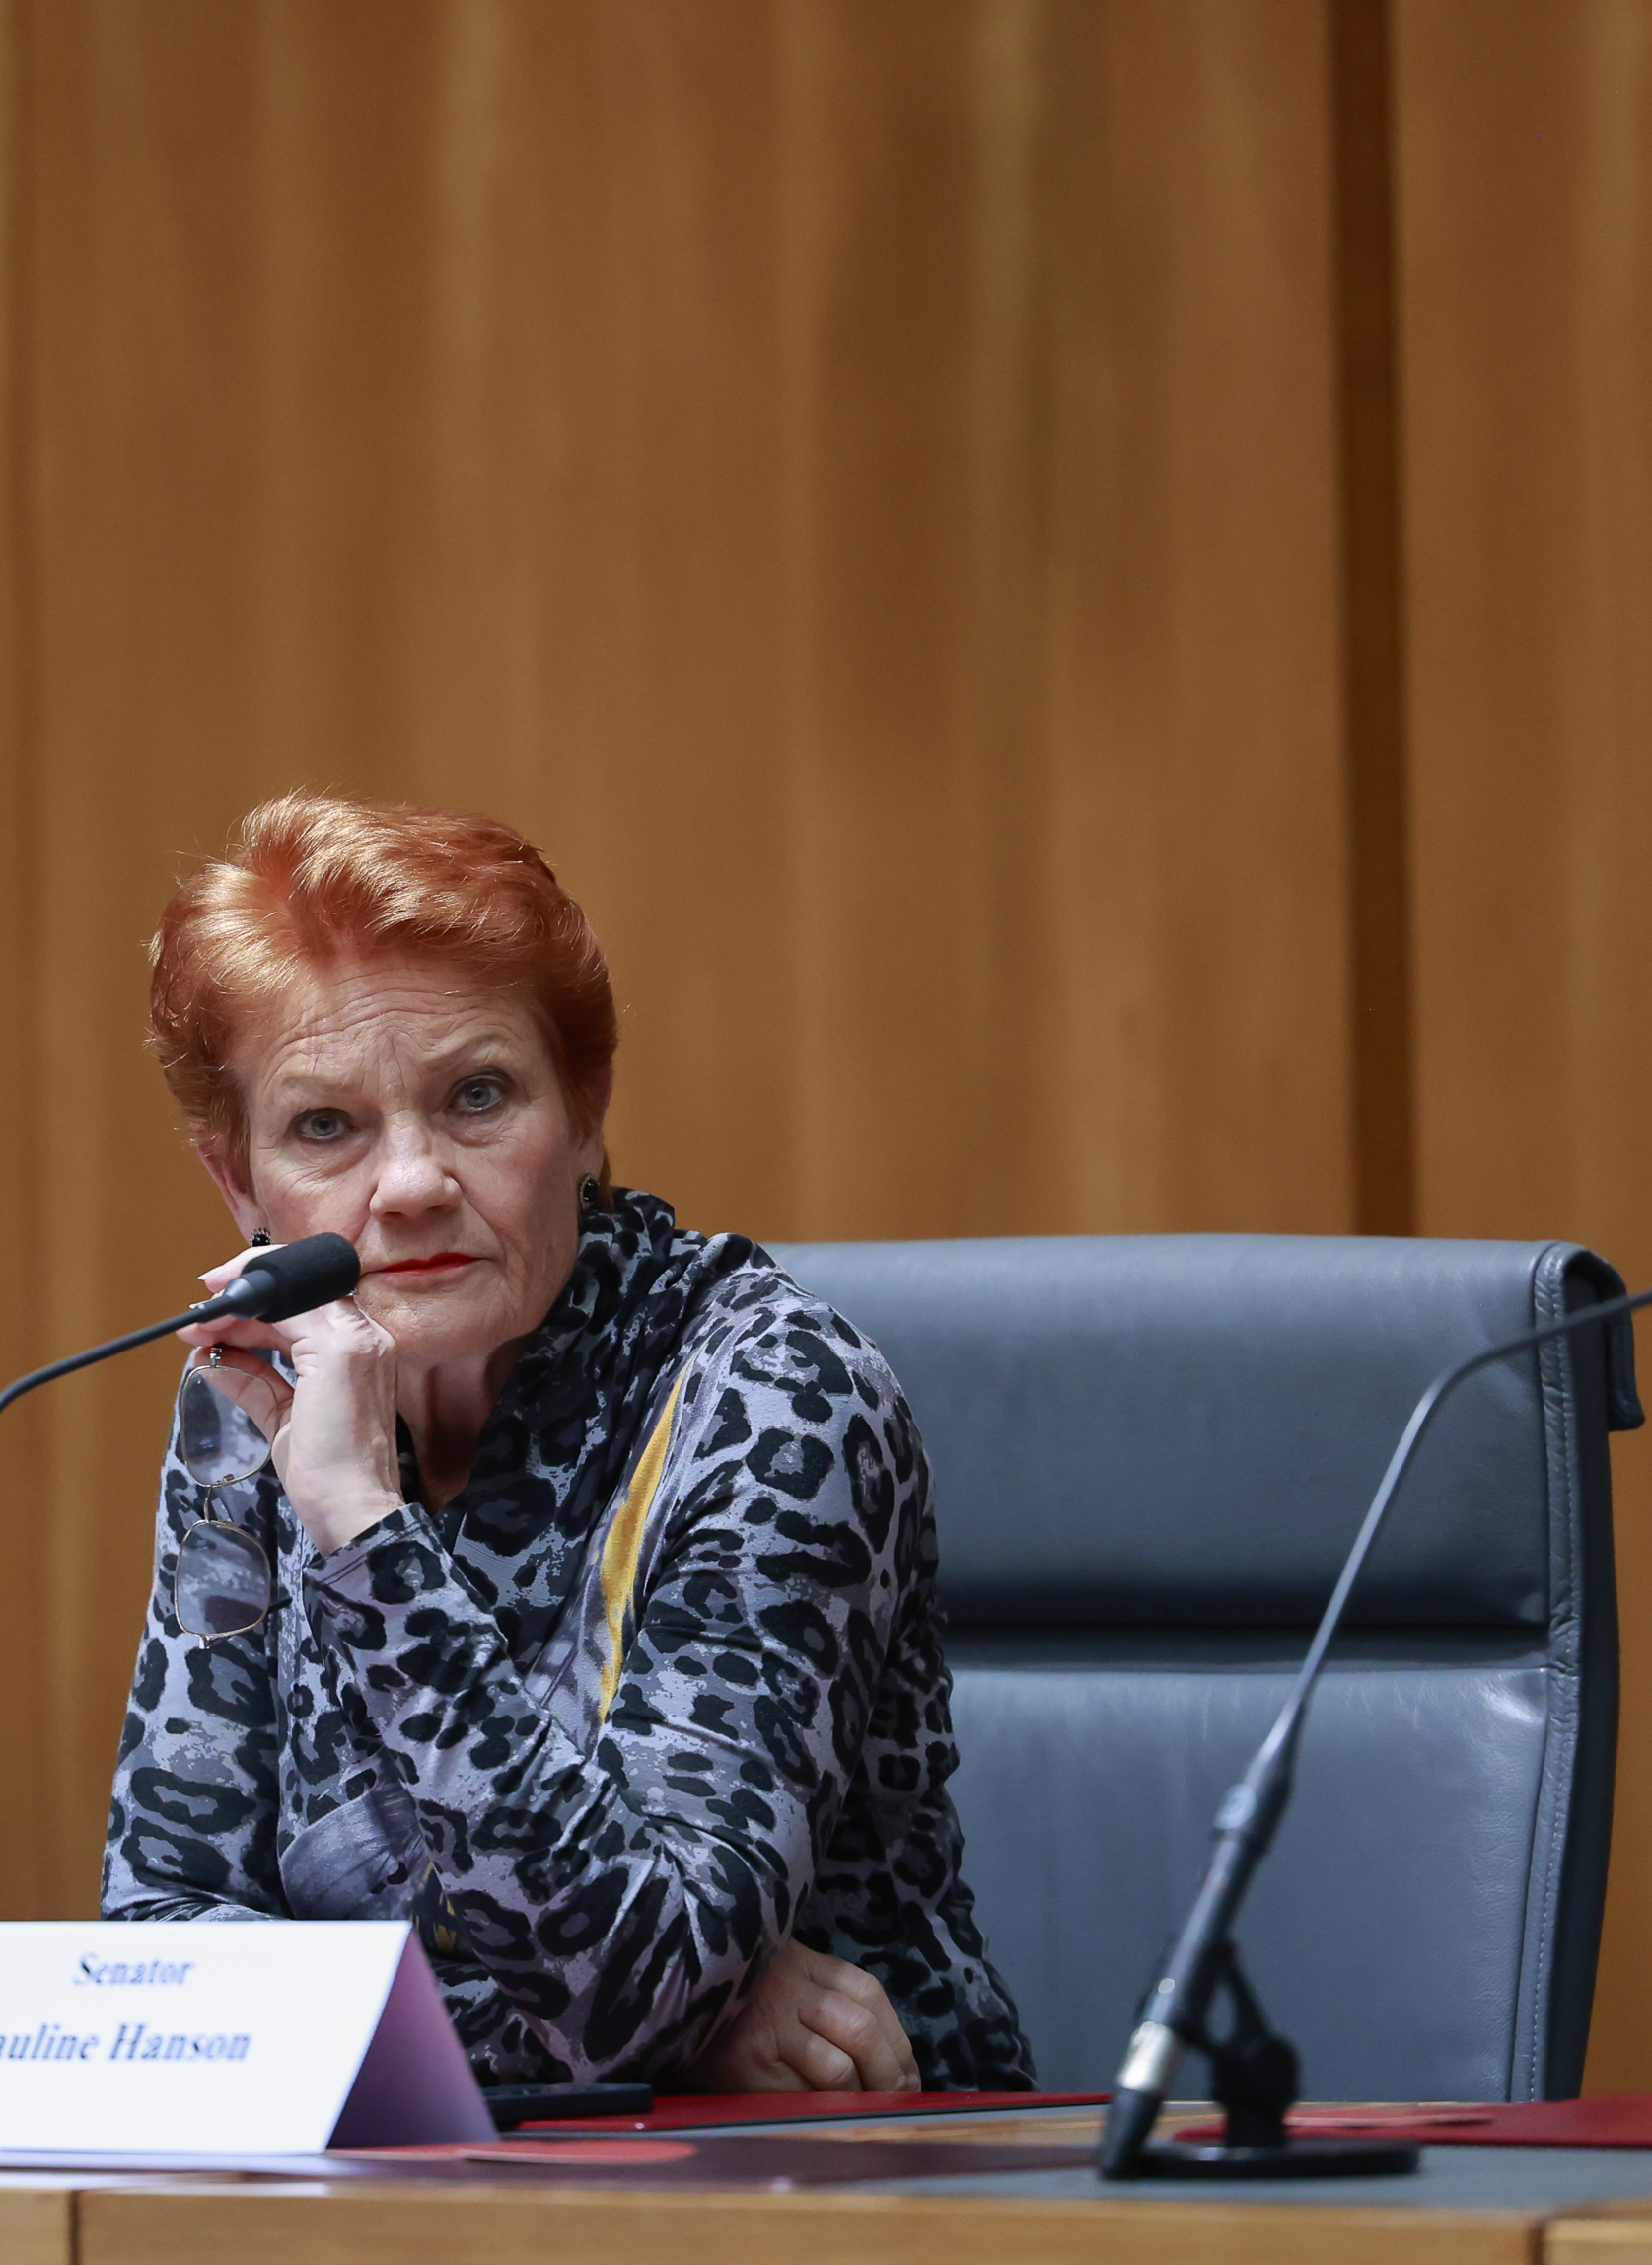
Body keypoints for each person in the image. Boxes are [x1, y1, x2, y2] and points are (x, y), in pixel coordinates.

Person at [102, 792, 1032, 2092]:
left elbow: (633, 1994)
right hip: (413, 2172)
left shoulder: (774, 1397)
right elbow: (161, 1940)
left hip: (839, 2165)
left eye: (476, 1097)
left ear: (586, 1114)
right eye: (325, 1126)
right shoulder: (251, 1394)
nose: (411, 1183)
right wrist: (676, 2023)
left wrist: (364, 1529)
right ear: (239, 1184)